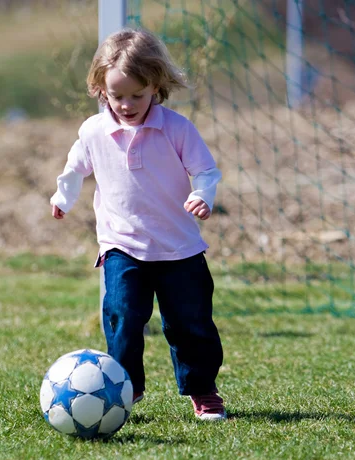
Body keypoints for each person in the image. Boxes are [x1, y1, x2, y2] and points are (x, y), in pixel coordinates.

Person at [50, 28, 226, 421]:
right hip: (121, 244)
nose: (126, 105)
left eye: (137, 95)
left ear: (156, 86)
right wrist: (63, 198)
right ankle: (126, 388)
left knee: (190, 323)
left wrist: (203, 195)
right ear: (100, 89)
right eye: (117, 96)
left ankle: (202, 389)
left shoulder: (178, 129)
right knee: (122, 315)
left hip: (179, 248)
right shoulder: (93, 131)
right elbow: (75, 168)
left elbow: (207, 172)